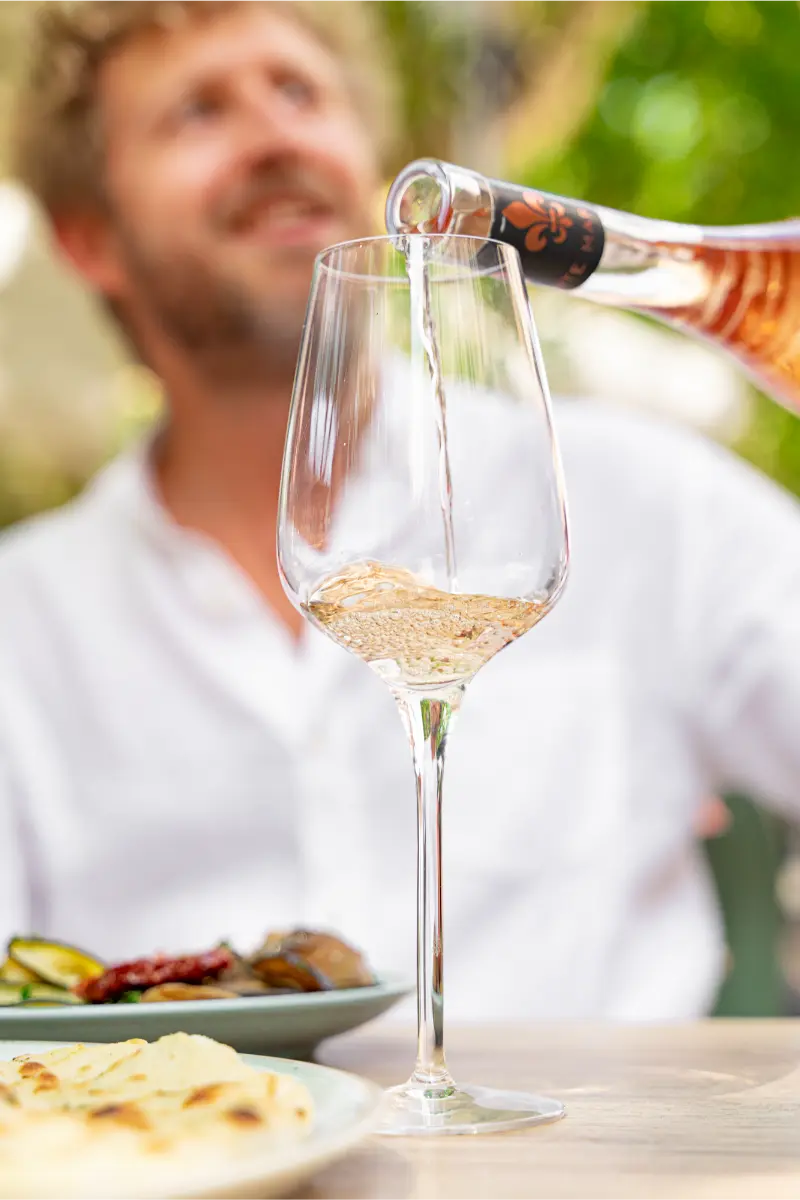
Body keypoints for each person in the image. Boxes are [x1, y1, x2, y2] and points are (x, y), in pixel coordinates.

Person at [1, 0, 798, 1020]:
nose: (277, 135)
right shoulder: (22, 626)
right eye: (198, 112)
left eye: (300, 92)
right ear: (88, 239)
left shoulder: (636, 498)